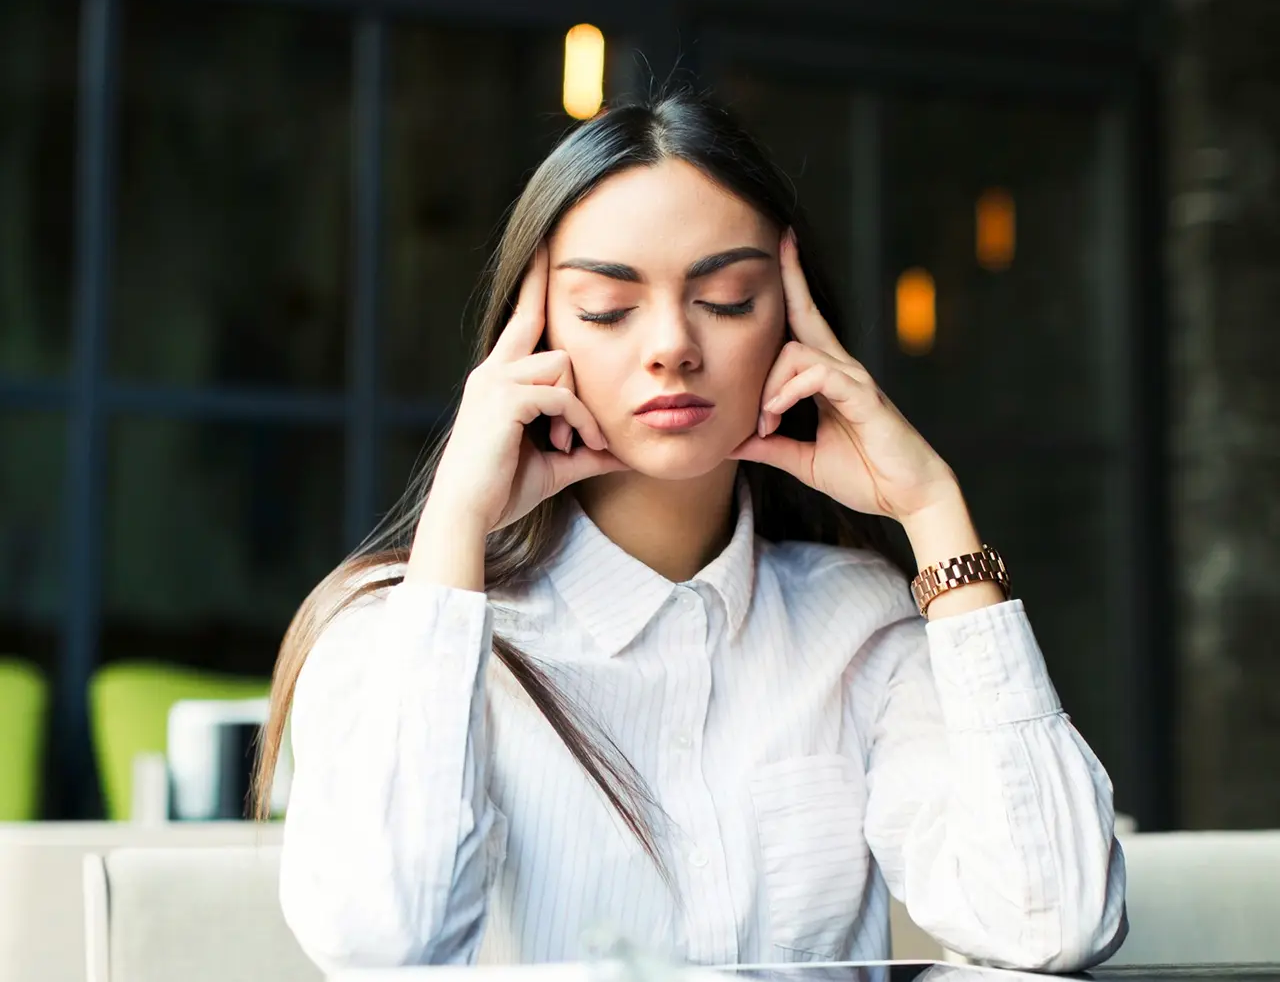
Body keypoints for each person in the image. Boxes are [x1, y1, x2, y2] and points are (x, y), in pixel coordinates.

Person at [254, 91, 1127, 973]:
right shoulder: (395, 633)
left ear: (791, 321)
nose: (672, 344)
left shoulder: (859, 628)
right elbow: (381, 947)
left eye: (726, 296)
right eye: (605, 307)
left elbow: (1051, 923)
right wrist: (457, 525)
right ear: (532, 338)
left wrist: (935, 510)